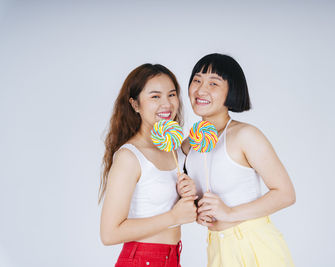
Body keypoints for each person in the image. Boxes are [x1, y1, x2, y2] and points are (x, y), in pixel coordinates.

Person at [181, 53, 296, 267]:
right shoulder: (190, 145)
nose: (201, 89)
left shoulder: (245, 135)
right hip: (217, 248)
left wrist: (230, 212)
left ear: (231, 91)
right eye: (196, 80)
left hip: (255, 245)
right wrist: (199, 211)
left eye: (213, 83)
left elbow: (286, 194)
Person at [99, 63, 197, 267]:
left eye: (171, 95)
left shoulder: (175, 150)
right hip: (142, 260)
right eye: (155, 96)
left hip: (173, 259)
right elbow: (109, 234)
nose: (167, 104)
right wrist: (173, 216)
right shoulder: (130, 157)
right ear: (135, 105)